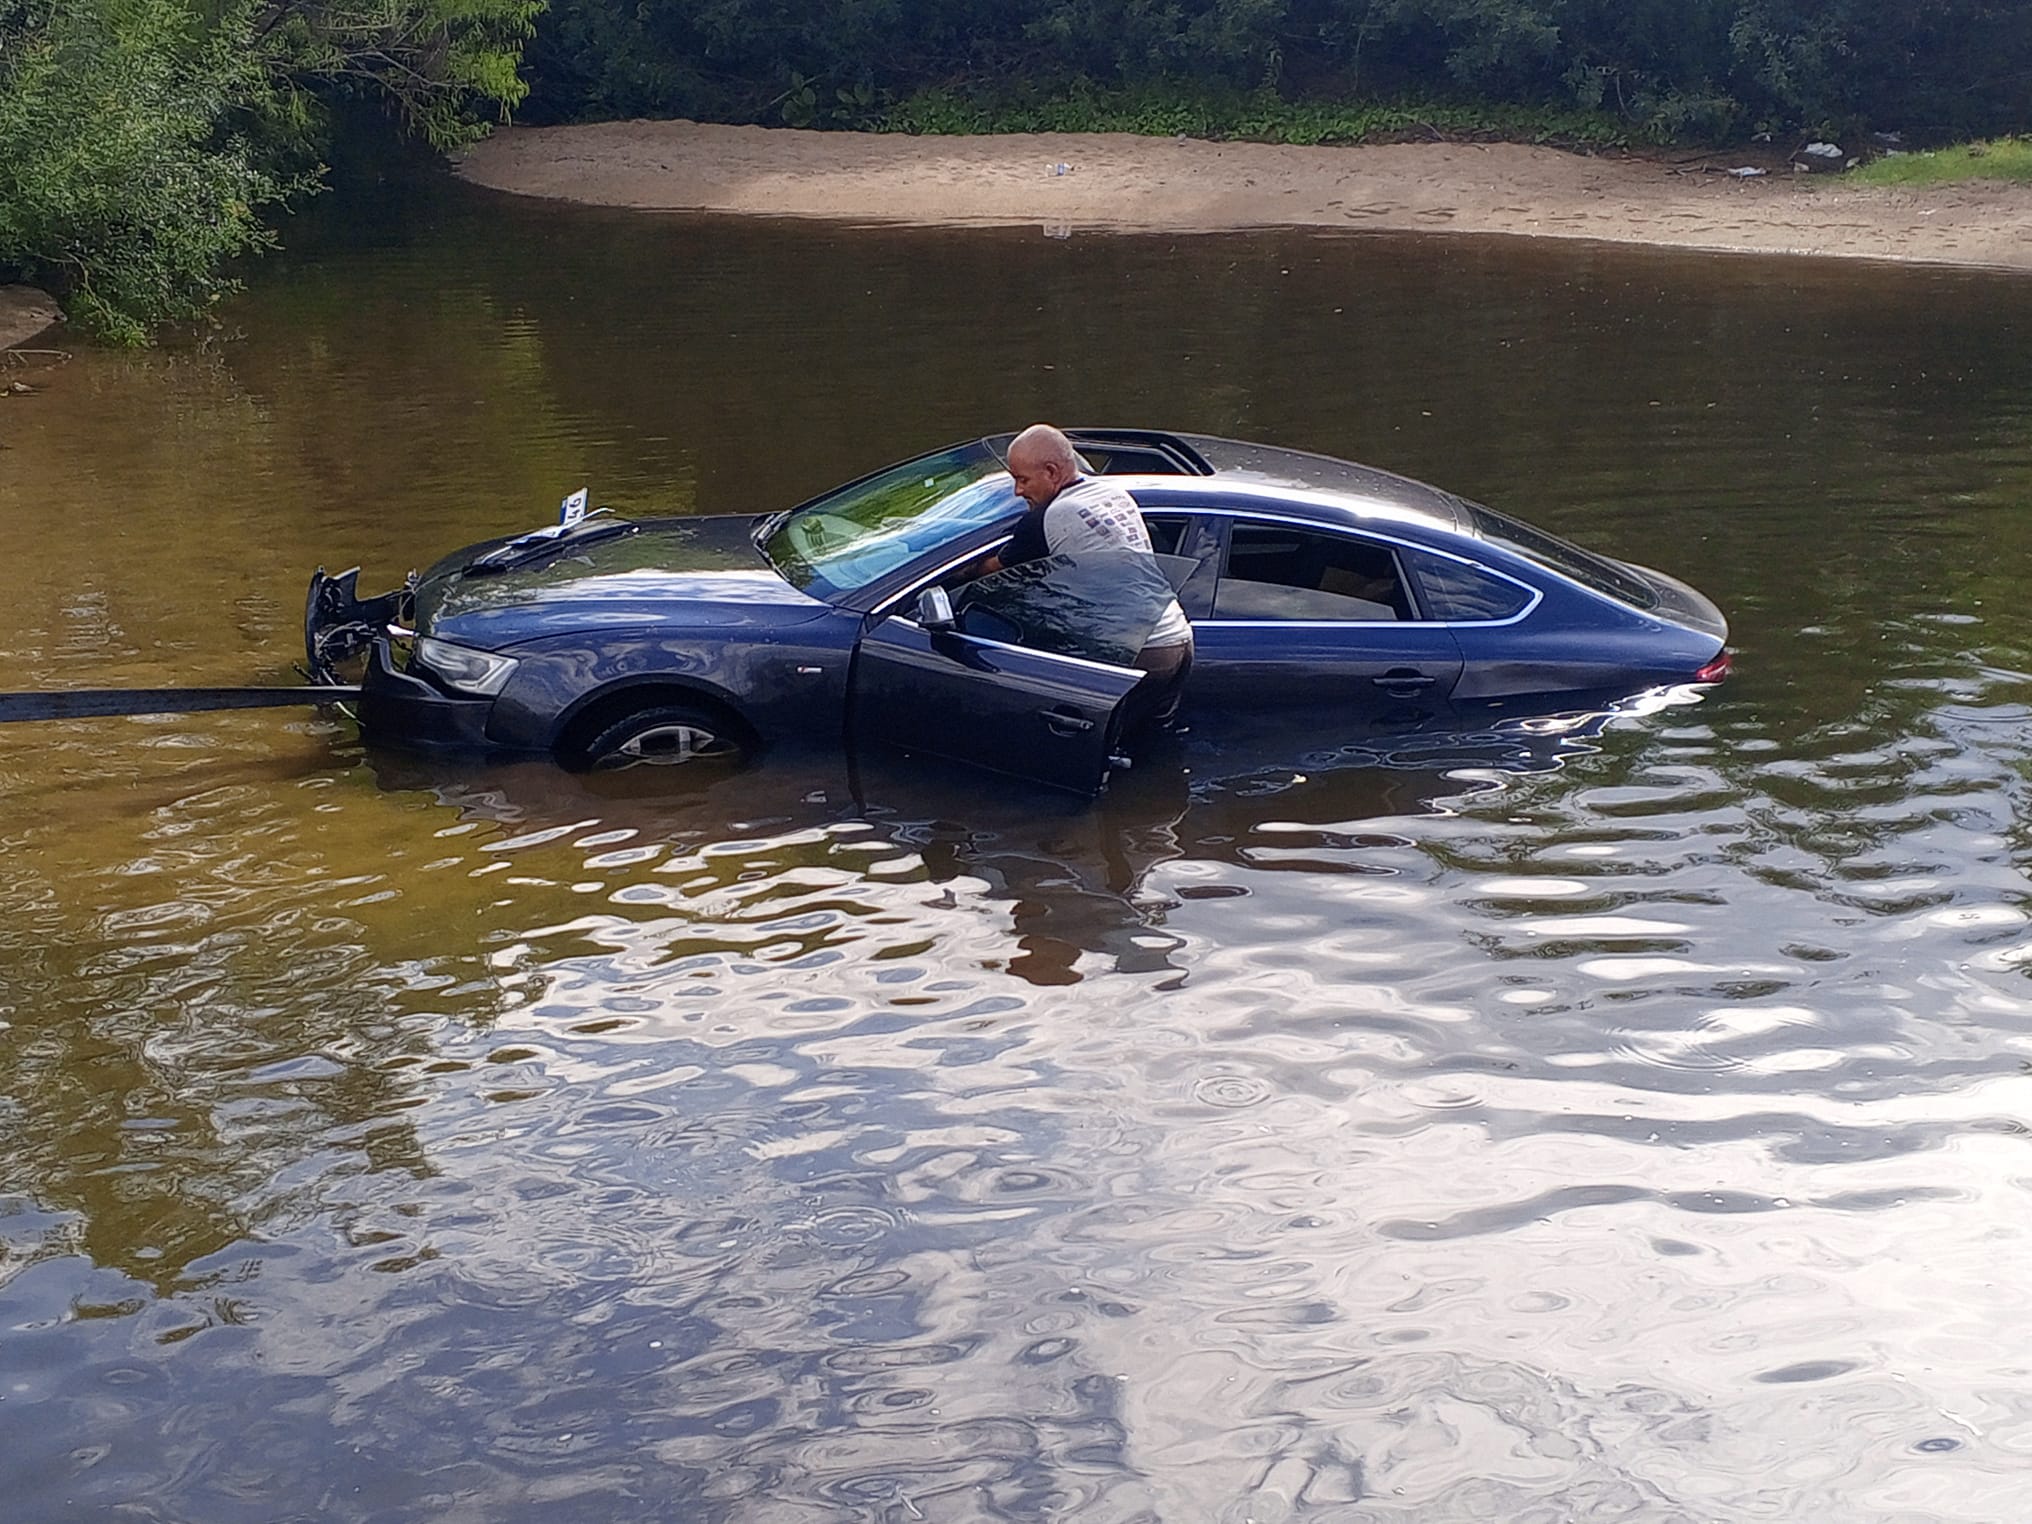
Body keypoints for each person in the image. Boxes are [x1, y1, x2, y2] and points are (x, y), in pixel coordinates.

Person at [977, 423, 1193, 740]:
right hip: (1178, 636)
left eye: (1022, 480)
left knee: (1096, 748)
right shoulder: (1112, 494)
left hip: (1137, 648)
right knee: (1152, 743)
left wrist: (949, 570)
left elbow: (989, 570)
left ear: (1051, 472)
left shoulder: (1045, 519)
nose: (1018, 492)